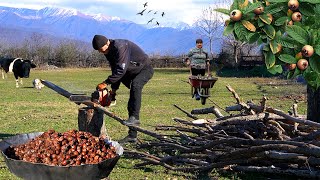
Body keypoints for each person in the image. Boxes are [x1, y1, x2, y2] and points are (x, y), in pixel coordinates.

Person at [92, 35, 154, 143]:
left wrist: (106, 83)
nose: (101, 52)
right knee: (132, 98)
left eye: (101, 50)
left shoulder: (120, 47)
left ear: (107, 43)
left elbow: (120, 70)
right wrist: (113, 91)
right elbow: (115, 71)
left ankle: (134, 118)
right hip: (130, 72)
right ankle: (132, 136)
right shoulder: (109, 52)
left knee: (136, 86)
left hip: (144, 69)